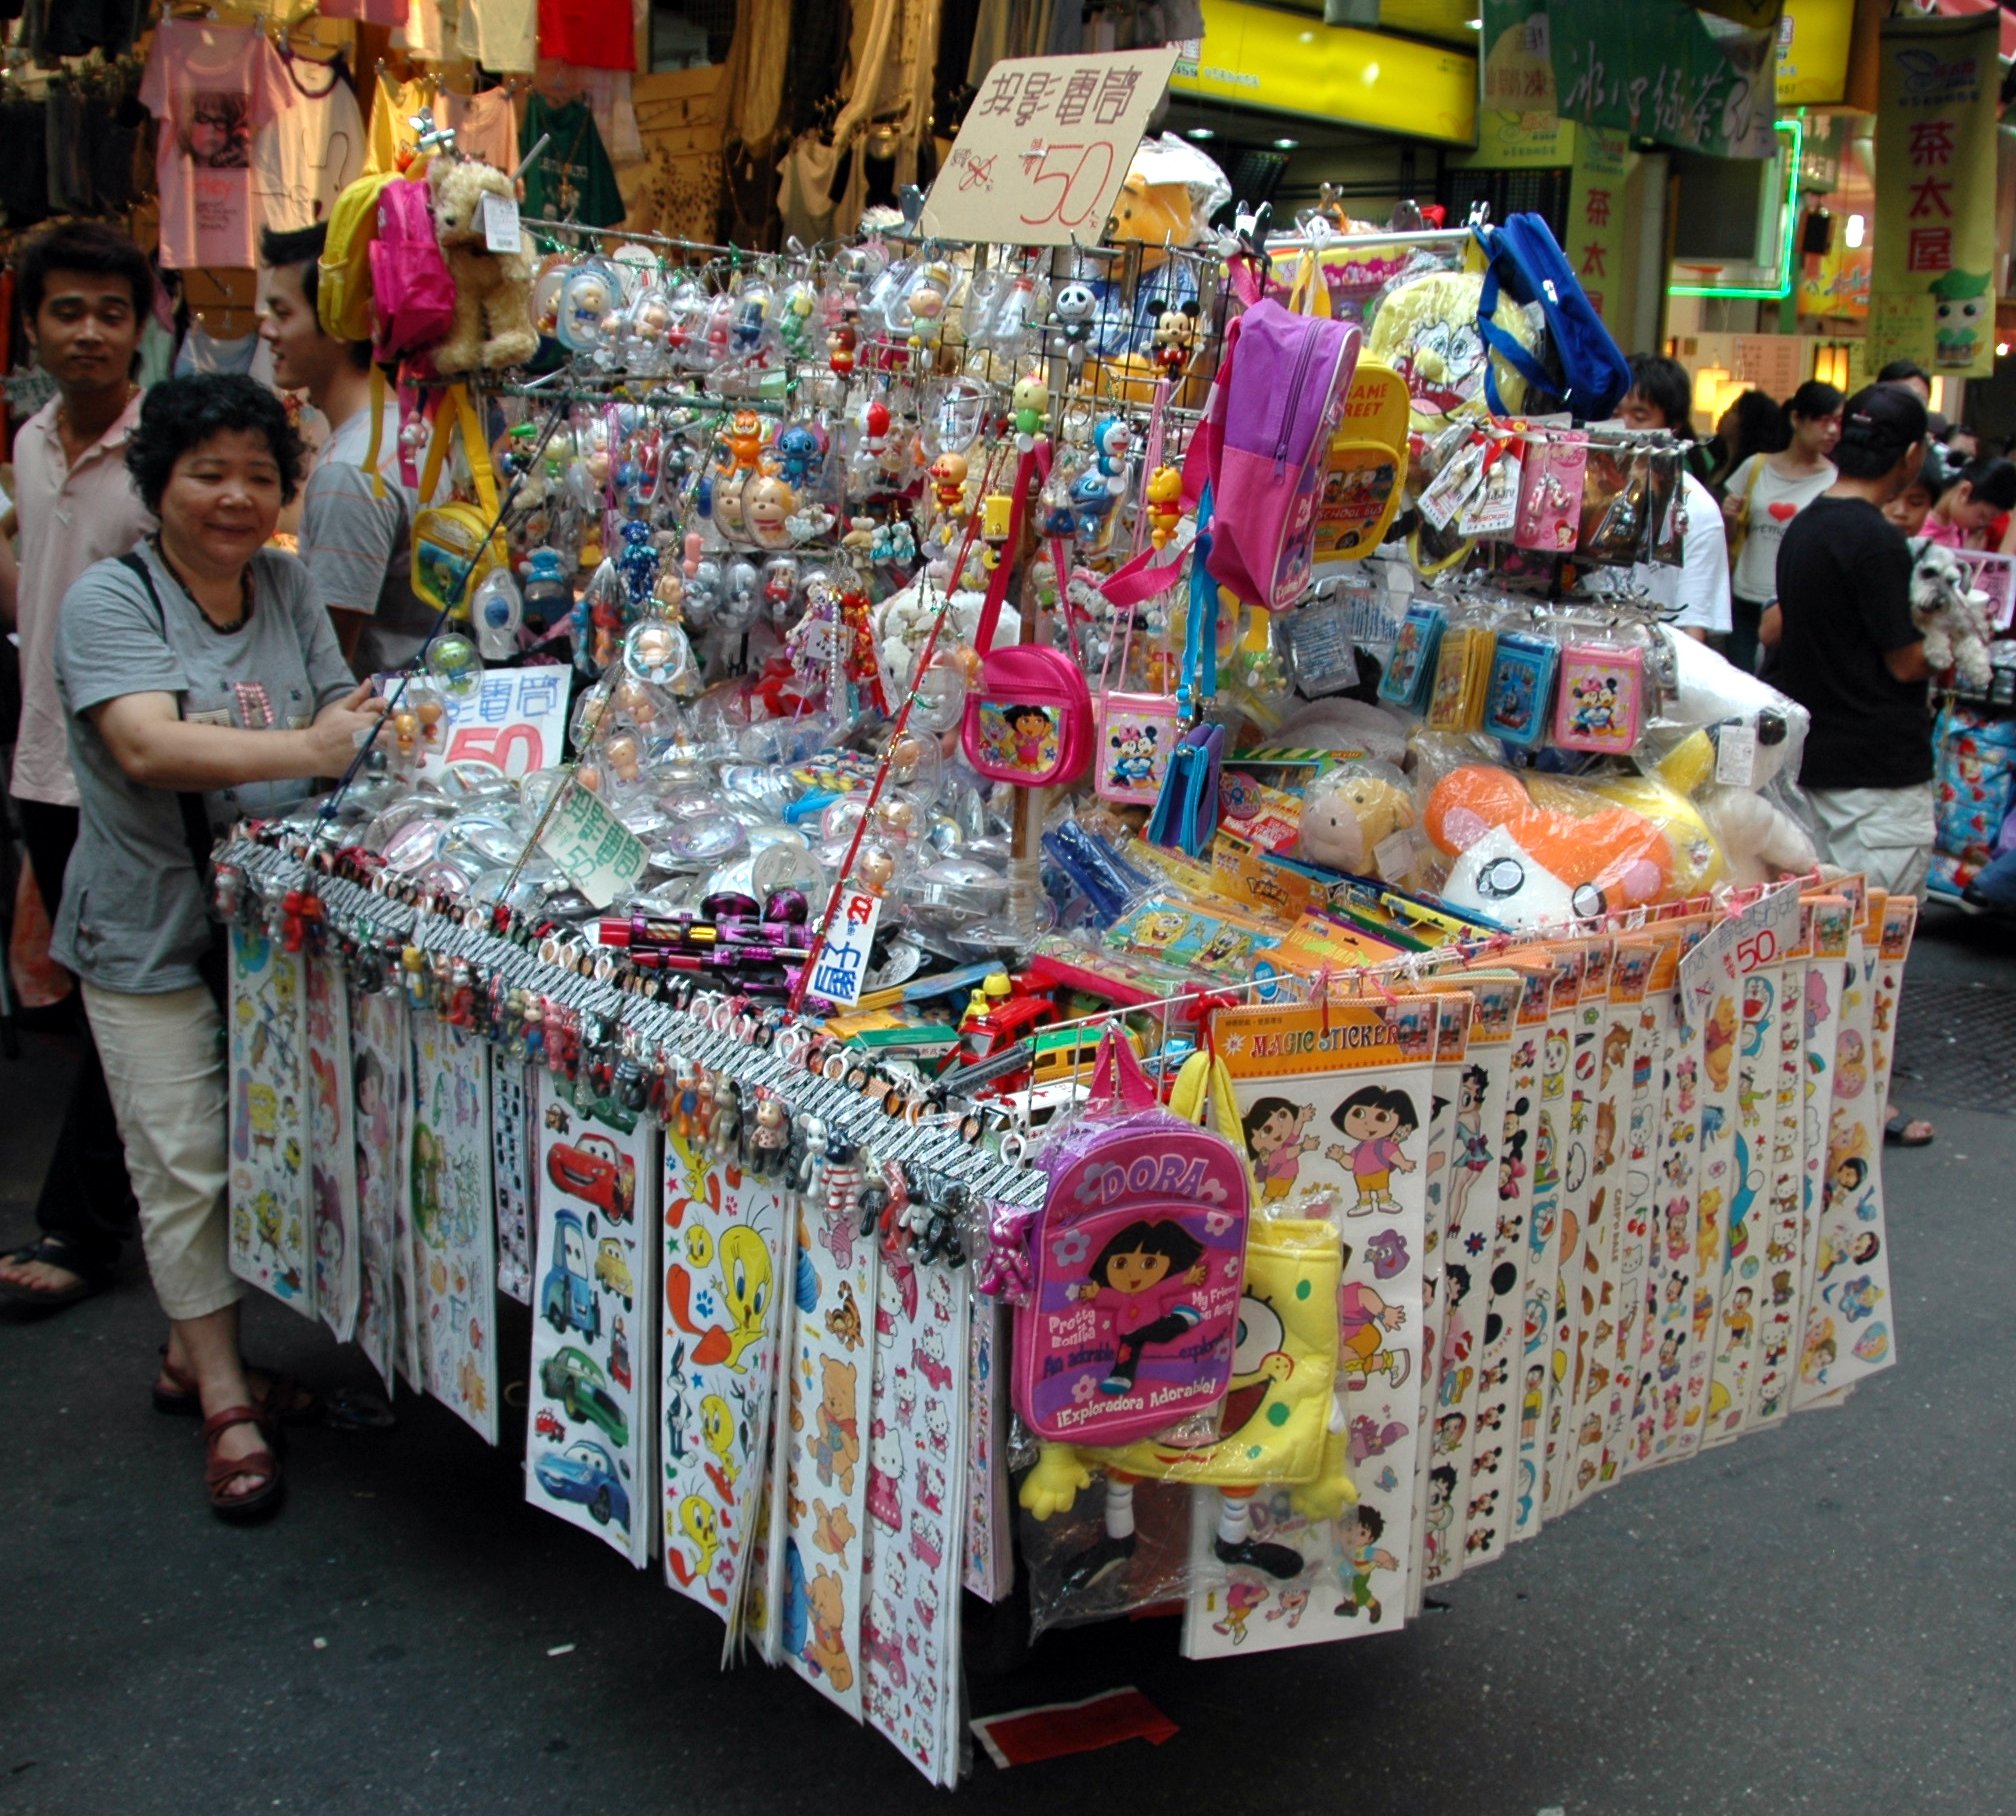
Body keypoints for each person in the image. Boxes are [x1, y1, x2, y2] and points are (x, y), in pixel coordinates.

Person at [51, 374, 384, 1517]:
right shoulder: (109, 600)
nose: (235, 497)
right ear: (158, 485)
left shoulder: (283, 585)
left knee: (258, 1146)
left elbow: (344, 712)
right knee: (182, 1162)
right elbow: (147, 746)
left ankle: (186, 1353)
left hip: (271, 929)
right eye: (207, 473)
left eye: (257, 474)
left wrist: (375, 730)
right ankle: (229, 1402)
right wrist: (312, 746)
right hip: (145, 926)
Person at [0, 223, 156, 1320]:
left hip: (131, 772)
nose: (91, 331)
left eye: (111, 311)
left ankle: (83, 1227)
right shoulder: (30, 441)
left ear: (140, 327)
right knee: (99, 1009)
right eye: (68, 311)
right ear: (31, 327)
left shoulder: (165, 453)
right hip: (41, 766)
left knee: (121, 1007)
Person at [1759, 383, 1935, 1148]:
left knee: (1826, 942)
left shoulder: (1806, 526)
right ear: (1911, 456)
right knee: (1870, 948)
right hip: (1878, 774)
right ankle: (1859, 1110)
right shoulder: (1876, 541)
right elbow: (1904, 660)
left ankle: (1811, 1096)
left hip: (1816, 764)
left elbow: (1781, 627)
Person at [257, 221, 435, 675]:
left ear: (339, 321)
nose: (266, 330)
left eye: (282, 313)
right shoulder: (415, 431)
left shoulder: (352, 470)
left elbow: (328, 662)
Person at [1721, 379, 1842, 674]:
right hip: (1745, 596)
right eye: (1823, 420)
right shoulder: (1756, 466)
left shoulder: (1834, 480)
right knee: (1740, 683)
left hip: (1792, 605)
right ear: (1796, 418)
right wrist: (1729, 518)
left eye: (1838, 422)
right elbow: (1730, 537)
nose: (1832, 430)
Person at [1612, 354, 1733, 644]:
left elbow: (1693, 629)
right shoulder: (1589, 489)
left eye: (1640, 416)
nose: (1623, 426)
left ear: (1673, 427)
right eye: (1615, 413)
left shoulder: (1696, 510)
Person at [1918, 454, 2016, 550]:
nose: (1982, 524)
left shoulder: (1959, 526)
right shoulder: (1919, 525)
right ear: (1965, 491)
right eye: (1982, 516)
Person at [1706, 389, 1787, 498]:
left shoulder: (1750, 471)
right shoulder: (1719, 462)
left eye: (1734, 410)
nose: (1725, 413)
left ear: (1748, 424)